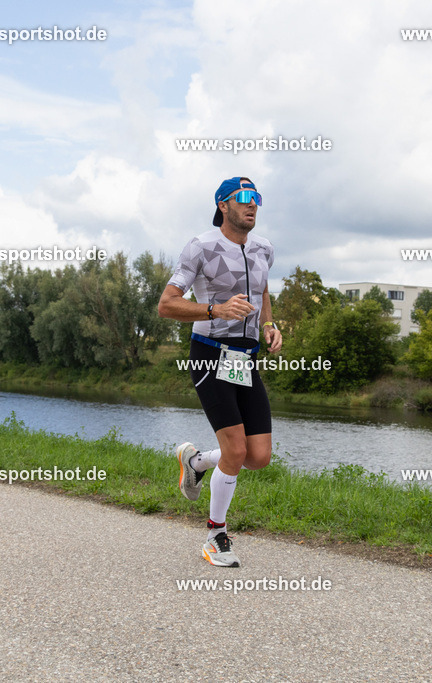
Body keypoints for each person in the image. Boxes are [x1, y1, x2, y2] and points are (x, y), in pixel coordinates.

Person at [158, 177, 282, 567]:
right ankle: (216, 536)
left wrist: (269, 325)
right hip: (209, 353)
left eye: (257, 198)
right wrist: (216, 310)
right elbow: (167, 305)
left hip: (245, 358)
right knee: (236, 449)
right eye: (244, 198)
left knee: (258, 456)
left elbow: (261, 290)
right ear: (223, 205)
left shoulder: (264, 249)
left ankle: (196, 463)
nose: (253, 204)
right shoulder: (202, 247)